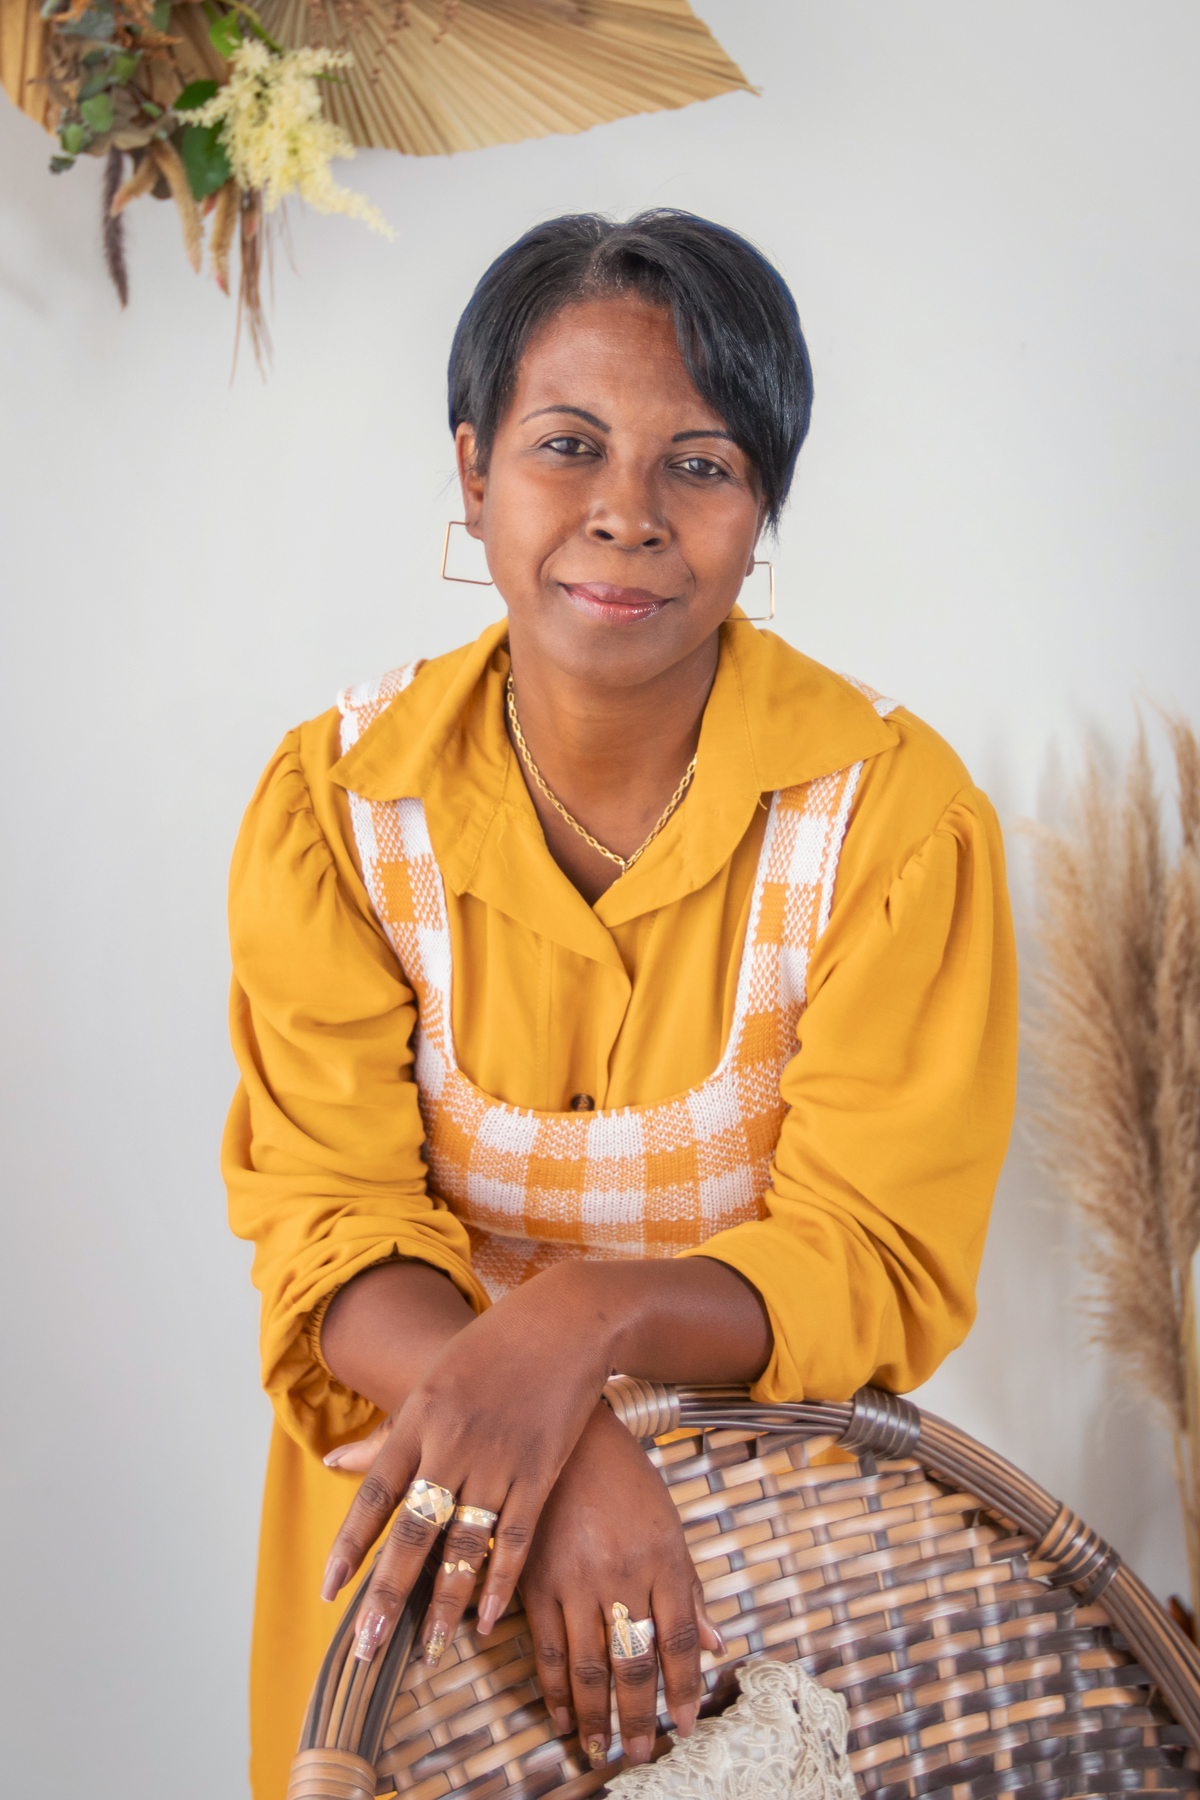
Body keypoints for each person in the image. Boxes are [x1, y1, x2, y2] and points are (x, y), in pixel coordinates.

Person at [224, 209, 1018, 1799]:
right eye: (567, 446)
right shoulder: (336, 804)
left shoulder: (897, 820)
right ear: (471, 471)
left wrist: (586, 1319)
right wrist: (556, 1426)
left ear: (765, 503)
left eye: (701, 464)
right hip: (406, 1553)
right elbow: (328, 1225)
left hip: (759, 1569)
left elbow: (871, 1255)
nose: (627, 515)